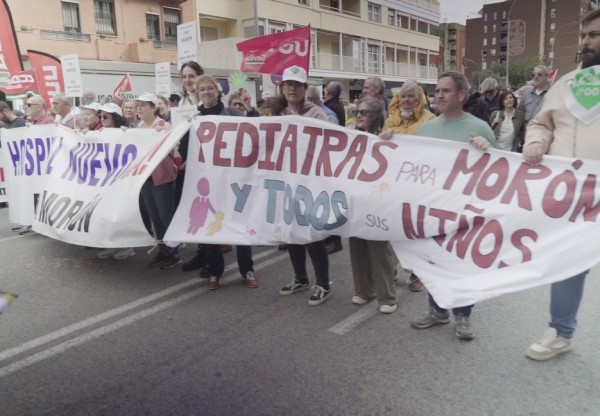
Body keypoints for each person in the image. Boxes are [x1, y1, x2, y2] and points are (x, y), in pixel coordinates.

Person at [523, 8, 600, 361]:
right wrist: (536, 142)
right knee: (569, 262)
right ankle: (560, 331)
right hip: (571, 194)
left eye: (595, 35)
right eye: (585, 35)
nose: (586, 41)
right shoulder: (566, 83)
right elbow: (541, 123)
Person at [409, 71, 497, 341]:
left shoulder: (479, 127)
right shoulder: (427, 128)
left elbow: (502, 172)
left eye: (446, 90)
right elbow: (411, 165)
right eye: (437, 90)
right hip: (433, 212)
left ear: (462, 95)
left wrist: (487, 150)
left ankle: (463, 316)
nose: (439, 95)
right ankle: (437, 311)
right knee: (434, 263)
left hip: (464, 213)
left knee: (461, 266)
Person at [270, 65, 332, 306]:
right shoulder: (279, 113)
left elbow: (328, 146)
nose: (291, 88)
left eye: (296, 84)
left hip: (310, 183)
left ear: (305, 88)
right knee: (291, 233)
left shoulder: (317, 114)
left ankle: (323, 284)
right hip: (286, 182)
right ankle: (301, 278)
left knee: (312, 235)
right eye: (288, 84)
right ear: (282, 88)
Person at [194, 75, 259, 290]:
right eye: (202, 89)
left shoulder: (231, 113)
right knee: (212, 226)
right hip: (208, 181)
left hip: (233, 179)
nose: (206, 92)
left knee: (239, 223)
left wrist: (250, 110)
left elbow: (254, 128)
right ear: (198, 93)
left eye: (210, 88)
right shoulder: (193, 117)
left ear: (217, 91)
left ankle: (247, 269)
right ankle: (214, 272)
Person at [380, 80, 436, 292]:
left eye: (411, 96)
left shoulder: (430, 120)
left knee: (418, 231)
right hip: (395, 183)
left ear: (419, 98)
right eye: (403, 96)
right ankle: (393, 269)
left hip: (419, 184)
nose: (406, 100)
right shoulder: (390, 120)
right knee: (395, 229)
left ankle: (418, 273)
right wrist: (382, 138)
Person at [349, 96, 398, 313]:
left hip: (378, 201)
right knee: (357, 247)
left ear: (376, 116)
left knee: (379, 251)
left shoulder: (385, 137)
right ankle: (364, 290)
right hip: (355, 200)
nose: (359, 115)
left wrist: (388, 140)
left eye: (364, 112)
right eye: (357, 111)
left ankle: (387, 297)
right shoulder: (348, 136)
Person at [135, 93, 181, 269]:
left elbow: (173, 144)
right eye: (138, 104)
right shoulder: (139, 126)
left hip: (162, 177)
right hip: (145, 178)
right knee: (155, 216)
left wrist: (165, 135)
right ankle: (163, 249)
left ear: (153, 108)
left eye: (144, 105)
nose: (139, 108)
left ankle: (174, 251)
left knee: (165, 215)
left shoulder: (163, 124)